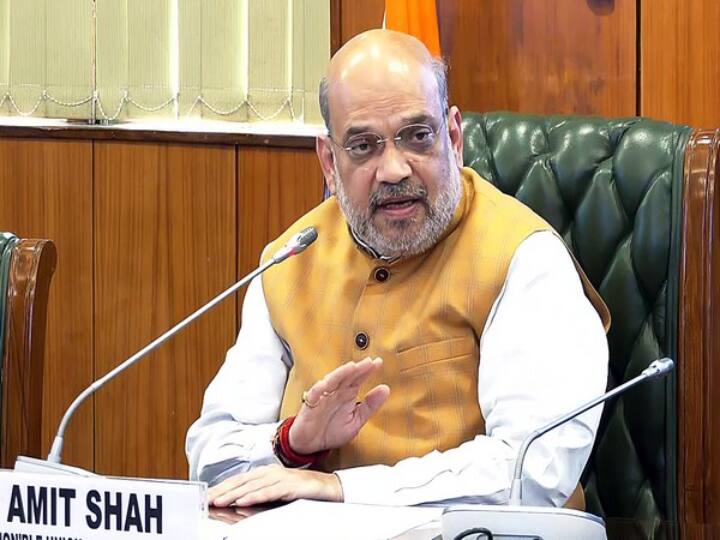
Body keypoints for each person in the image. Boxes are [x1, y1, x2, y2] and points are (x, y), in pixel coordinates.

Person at [186, 29, 609, 509]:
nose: (394, 170)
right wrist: (292, 444)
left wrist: (344, 490)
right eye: (363, 146)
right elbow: (210, 458)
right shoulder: (292, 258)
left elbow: (533, 472)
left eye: (418, 137)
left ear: (453, 137)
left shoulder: (524, 258)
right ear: (329, 163)